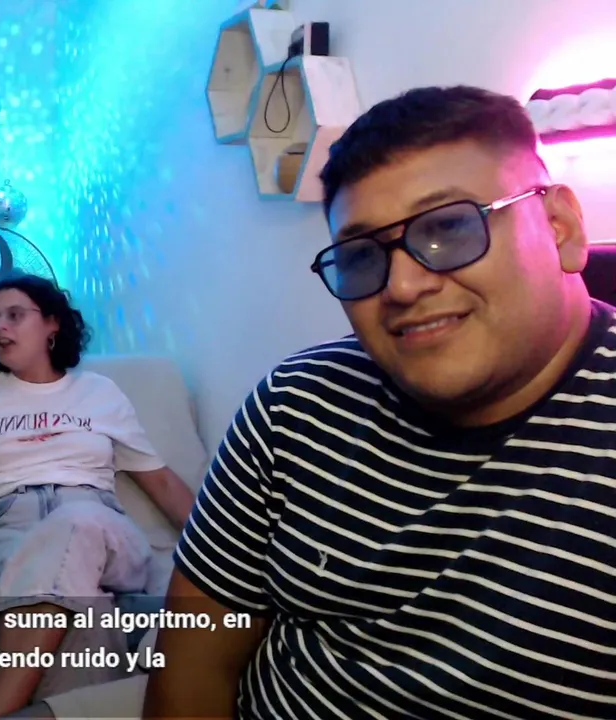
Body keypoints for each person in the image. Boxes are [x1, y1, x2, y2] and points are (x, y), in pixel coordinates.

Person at [144, 85, 616, 720]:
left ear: (560, 227)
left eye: (449, 227)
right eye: (362, 256)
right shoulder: (296, 406)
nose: (402, 285)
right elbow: (192, 666)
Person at [0, 273, 196, 718]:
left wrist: (225, 549)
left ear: (52, 324)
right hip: (6, 535)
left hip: (100, 527)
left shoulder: (98, 392)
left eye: (15, 315)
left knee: (76, 524)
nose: (0, 327)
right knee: (89, 619)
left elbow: (162, 482)